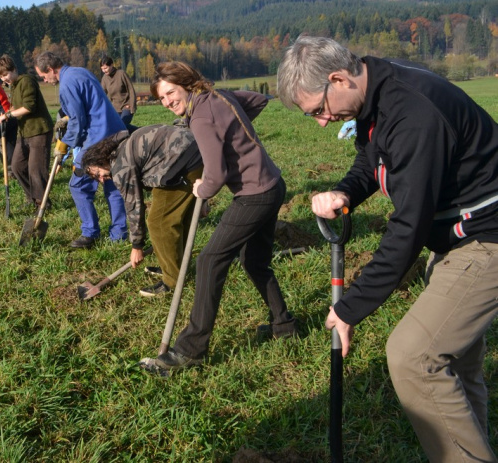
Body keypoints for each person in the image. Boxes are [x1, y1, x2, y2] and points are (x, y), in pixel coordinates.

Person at [277, 35, 498, 462]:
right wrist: (345, 192)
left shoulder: (413, 113)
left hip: (486, 236)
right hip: (455, 233)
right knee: (458, 363)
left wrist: (350, 306)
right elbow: (373, 157)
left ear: (338, 78)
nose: (323, 122)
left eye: (319, 110)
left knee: (413, 356)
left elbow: (407, 229)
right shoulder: (375, 88)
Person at [141, 61, 296, 374]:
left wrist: (204, 187)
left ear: (185, 84)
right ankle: (284, 326)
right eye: (162, 98)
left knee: (209, 261)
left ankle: (190, 350)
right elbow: (257, 100)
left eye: (171, 92)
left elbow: (216, 174)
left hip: (254, 194)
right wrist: (233, 133)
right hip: (272, 184)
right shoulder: (218, 96)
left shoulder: (201, 116)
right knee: (254, 260)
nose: (168, 101)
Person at [81, 125, 203, 296]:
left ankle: (172, 280)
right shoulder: (121, 147)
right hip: (195, 151)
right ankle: (175, 268)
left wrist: (137, 245)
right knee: (178, 219)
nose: (102, 180)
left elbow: (134, 205)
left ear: (102, 160)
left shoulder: (121, 166)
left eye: (98, 173)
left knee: (159, 223)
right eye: (96, 178)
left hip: (181, 162)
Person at [34, 51, 128, 248]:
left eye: (43, 76)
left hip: (97, 140)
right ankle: (119, 235)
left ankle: (90, 233)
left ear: (51, 69)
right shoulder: (80, 72)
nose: (45, 80)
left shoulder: (66, 84)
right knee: (112, 184)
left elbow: (78, 121)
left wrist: (63, 146)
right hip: (116, 133)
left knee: (79, 185)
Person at [0, 55, 53, 210]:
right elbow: (16, 106)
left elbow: (29, 107)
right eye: (1, 76)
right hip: (25, 132)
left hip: (39, 130)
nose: (4, 78)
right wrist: (6, 114)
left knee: (36, 170)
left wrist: (8, 115)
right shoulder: (14, 85)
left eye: (6, 74)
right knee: (17, 166)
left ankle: (43, 203)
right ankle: (32, 197)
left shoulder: (26, 81)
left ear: (14, 69)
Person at [99, 55, 137, 125]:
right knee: (117, 128)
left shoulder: (121, 74)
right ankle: (140, 131)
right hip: (115, 109)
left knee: (121, 125)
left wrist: (132, 106)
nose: (104, 71)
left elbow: (131, 90)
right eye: (102, 69)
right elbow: (102, 94)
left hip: (126, 106)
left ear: (111, 65)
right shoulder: (104, 78)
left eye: (105, 68)